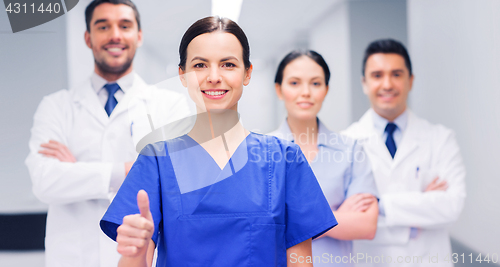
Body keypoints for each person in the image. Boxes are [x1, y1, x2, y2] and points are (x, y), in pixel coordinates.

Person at [99, 16, 338, 267]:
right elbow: (137, 259)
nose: (214, 76)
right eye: (200, 65)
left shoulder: (285, 159)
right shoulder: (156, 160)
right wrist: (134, 252)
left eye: (228, 64)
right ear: (182, 75)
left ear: (247, 73)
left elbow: (301, 262)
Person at [25, 1, 190, 266]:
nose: (115, 34)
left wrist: (78, 171)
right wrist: (133, 169)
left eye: (124, 26)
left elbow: (175, 178)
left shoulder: (170, 105)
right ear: (88, 38)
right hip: (72, 257)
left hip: (141, 256)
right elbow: (45, 181)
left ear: (139, 35)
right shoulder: (56, 106)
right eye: (103, 26)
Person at [342, 39, 466, 266]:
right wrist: (422, 204)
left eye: (397, 74)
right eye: (377, 75)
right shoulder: (345, 142)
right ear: (364, 83)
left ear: (411, 80)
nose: (387, 84)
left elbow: (451, 206)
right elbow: (346, 218)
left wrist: (378, 205)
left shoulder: (440, 138)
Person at [269, 50, 379, 266]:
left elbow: (367, 225)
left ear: (326, 90)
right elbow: (262, 229)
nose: (306, 92)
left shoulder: (351, 150)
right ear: (279, 90)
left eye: (316, 83)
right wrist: (335, 217)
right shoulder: (261, 152)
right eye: (294, 83)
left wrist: (292, 223)